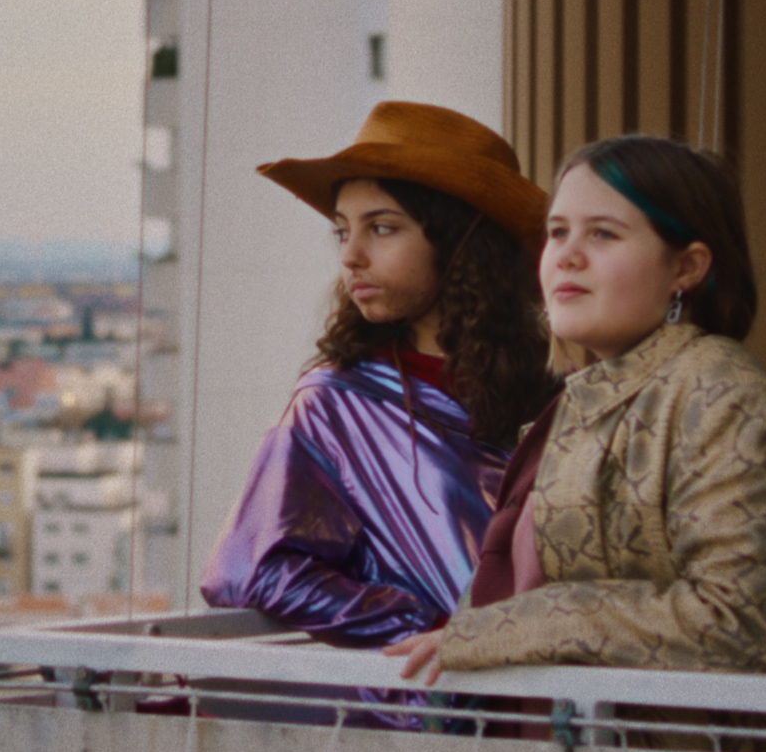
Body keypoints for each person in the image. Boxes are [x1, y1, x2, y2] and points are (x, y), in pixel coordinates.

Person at [387, 134, 766, 682]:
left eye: (603, 233)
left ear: (686, 267)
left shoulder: (726, 400)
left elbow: (743, 624)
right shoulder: (584, 395)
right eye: (557, 232)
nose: (567, 255)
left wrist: (532, 623)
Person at [200, 102, 558, 647]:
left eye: (383, 228)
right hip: (427, 712)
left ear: (461, 243)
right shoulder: (334, 403)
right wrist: (431, 629)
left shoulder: (560, 392)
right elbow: (255, 568)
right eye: (343, 232)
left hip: (559, 706)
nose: (352, 256)